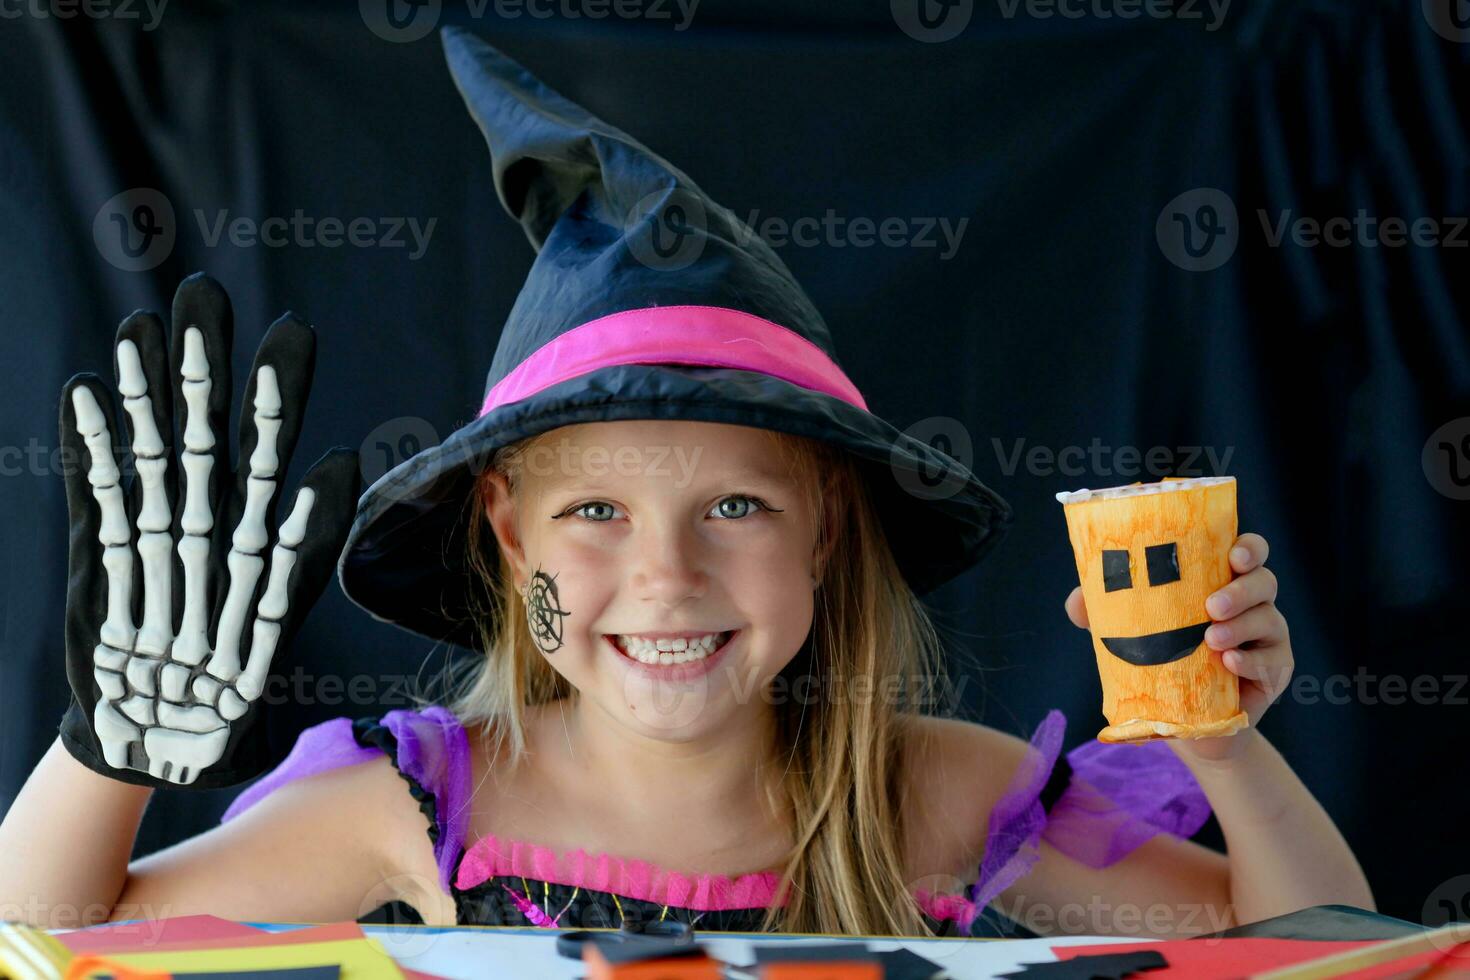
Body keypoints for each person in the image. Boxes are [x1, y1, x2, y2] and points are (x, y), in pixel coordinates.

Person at [0, 27, 1372, 939]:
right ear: (505, 536)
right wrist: (101, 757)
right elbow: (51, 949)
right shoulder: (412, 801)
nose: (664, 577)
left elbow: (1322, 959)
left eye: (737, 507)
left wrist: (1220, 746)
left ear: (830, 528)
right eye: (593, 512)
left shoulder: (941, 796)